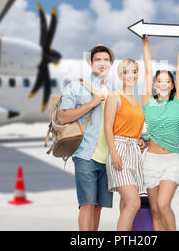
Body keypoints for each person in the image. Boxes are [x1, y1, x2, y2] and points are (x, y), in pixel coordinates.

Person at [57, 44, 115, 231]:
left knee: (98, 207)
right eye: (98, 59)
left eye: (106, 60)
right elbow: (62, 116)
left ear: (111, 64)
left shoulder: (113, 90)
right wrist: (92, 103)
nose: (102, 63)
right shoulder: (77, 85)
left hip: (107, 157)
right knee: (87, 204)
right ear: (90, 63)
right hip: (85, 154)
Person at [141, 35, 179, 231]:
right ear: (154, 85)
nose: (162, 83)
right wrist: (145, 44)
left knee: (163, 205)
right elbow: (146, 70)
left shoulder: (178, 103)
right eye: (158, 81)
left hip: (171, 162)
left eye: (166, 81)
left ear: (172, 85)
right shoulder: (147, 102)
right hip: (150, 161)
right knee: (154, 210)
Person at [104, 58, 147, 231]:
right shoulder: (115, 96)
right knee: (134, 202)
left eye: (135, 71)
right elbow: (108, 127)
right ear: (120, 75)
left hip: (134, 152)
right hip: (119, 149)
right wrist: (114, 153)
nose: (131, 75)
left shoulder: (136, 101)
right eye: (127, 72)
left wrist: (139, 140)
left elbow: (132, 127)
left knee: (125, 204)